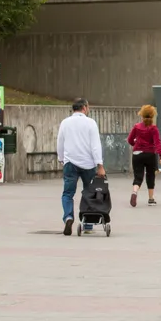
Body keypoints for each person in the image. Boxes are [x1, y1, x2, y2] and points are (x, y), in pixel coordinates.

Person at [56, 99, 105, 234]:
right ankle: (88, 225)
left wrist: (61, 159)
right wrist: (99, 165)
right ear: (84, 107)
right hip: (88, 164)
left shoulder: (65, 123)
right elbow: (95, 146)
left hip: (70, 162)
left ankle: (68, 217)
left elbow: (60, 142)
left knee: (67, 193)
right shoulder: (91, 123)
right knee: (89, 192)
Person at [128, 104, 161, 207]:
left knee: (138, 176)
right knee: (150, 175)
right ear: (153, 116)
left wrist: (136, 144)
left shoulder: (137, 127)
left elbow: (130, 140)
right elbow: (158, 143)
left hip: (137, 154)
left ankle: (134, 192)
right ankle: (151, 199)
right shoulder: (154, 128)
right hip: (150, 154)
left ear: (142, 115)